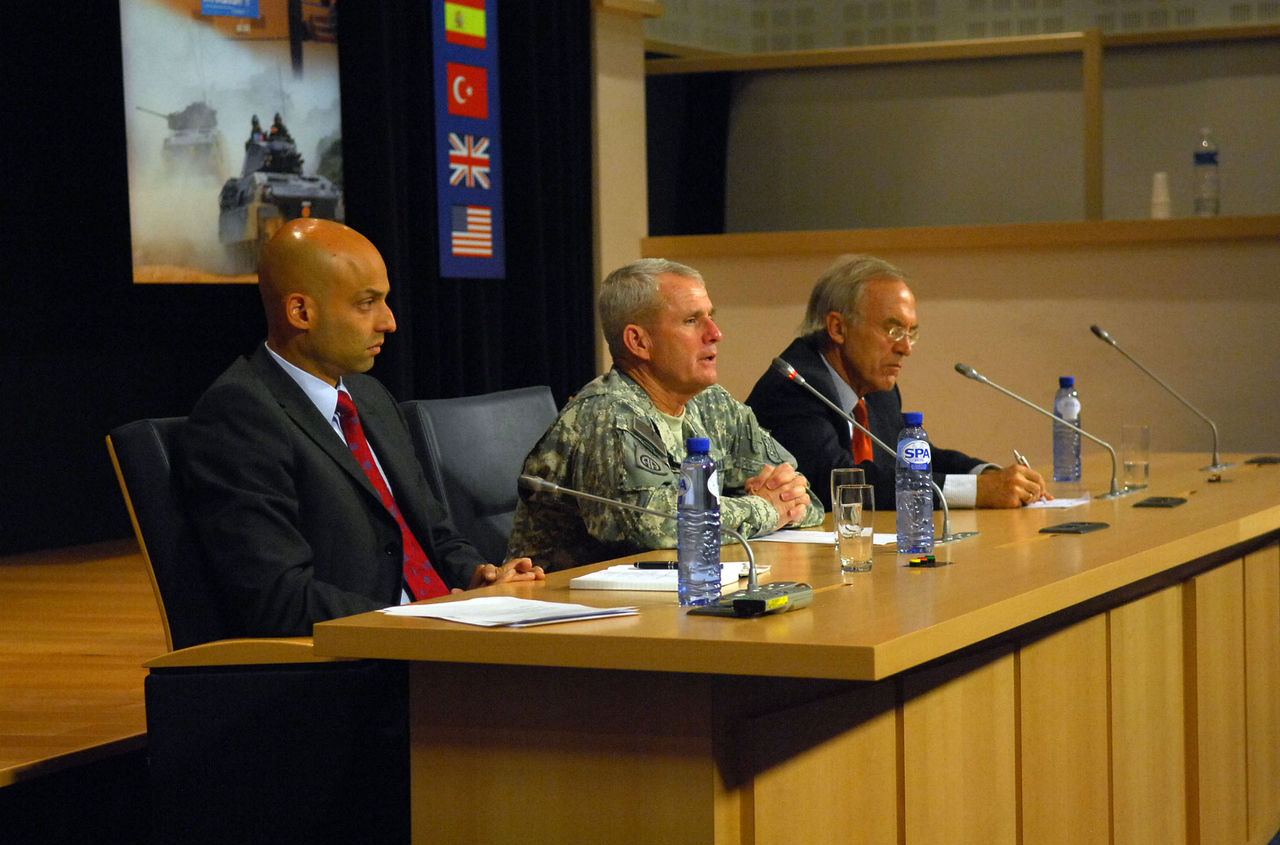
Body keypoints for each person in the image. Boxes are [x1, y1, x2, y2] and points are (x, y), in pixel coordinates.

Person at [179, 218, 542, 637]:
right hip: (354, 657)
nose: (389, 322)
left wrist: (482, 578)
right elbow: (277, 598)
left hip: (433, 635)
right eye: (366, 303)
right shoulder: (240, 415)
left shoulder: (369, 397)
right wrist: (425, 617)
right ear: (301, 312)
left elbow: (435, 536)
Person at [507, 258, 824, 572]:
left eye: (711, 317)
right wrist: (764, 510)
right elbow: (653, 526)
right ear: (639, 342)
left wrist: (782, 502)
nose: (715, 333)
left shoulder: (712, 403)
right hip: (566, 607)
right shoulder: (609, 415)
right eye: (691, 321)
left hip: (669, 594)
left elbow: (803, 498)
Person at [746, 254, 1049, 510]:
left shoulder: (874, 386)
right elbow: (843, 482)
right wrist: (976, 491)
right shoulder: (795, 387)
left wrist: (987, 474)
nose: (906, 347)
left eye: (911, 332)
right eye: (893, 331)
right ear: (838, 328)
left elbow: (914, 456)